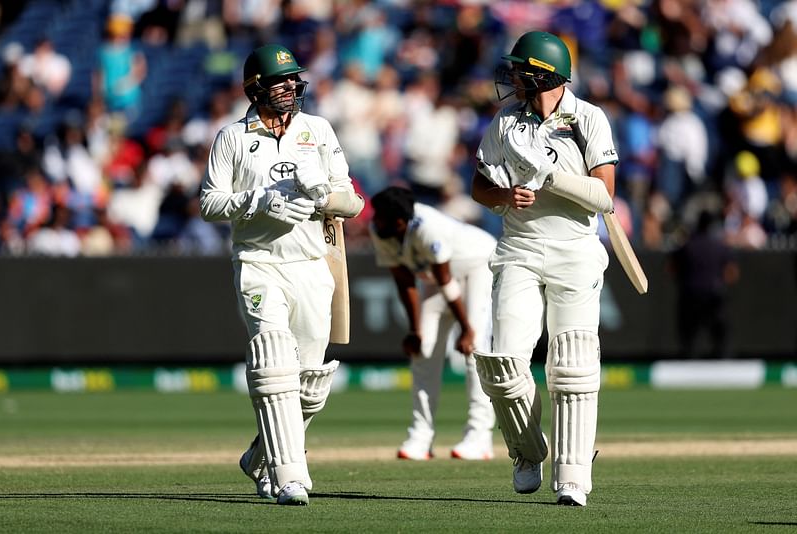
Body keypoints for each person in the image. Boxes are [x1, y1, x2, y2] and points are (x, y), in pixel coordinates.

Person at [199, 43, 364, 506]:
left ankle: (261, 456)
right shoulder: (232, 138)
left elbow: (353, 203)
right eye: (280, 80)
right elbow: (210, 203)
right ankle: (292, 476)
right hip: (258, 263)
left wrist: (324, 195)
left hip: (312, 265)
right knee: (274, 364)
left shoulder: (319, 130)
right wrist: (257, 201)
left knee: (309, 382)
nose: (291, 85)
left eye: (294, 78)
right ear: (256, 88)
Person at [470, 31, 618, 507]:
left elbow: (604, 196)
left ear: (544, 75)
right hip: (519, 246)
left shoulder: (588, 119)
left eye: (520, 70)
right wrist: (504, 196)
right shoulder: (505, 121)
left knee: (572, 367)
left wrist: (551, 175)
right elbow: (479, 185)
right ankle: (527, 451)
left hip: (575, 249)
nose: (511, 78)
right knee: (504, 363)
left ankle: (573, 475)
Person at [369, 186, 496, 461]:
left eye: (380, 217)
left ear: (400, 222)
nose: (374, 221)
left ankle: (479, 436)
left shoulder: (429, 228)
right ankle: (421, 435)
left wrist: (467, 329)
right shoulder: (381, 230)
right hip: (438, 279)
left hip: (478, 265)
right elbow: (404, 283)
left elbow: (446, 282)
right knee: (422, 348)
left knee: (474, 349)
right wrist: (414, 331)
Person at [669, 210, 740, 358]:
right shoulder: (720, 246)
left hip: (691, 294)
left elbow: (671, 268)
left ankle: (688, 358)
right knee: (719, 332)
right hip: (714, 295)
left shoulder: (688, 245)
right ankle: (722, 358)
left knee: (688, 333)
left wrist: (684, 278)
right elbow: (732, 272)